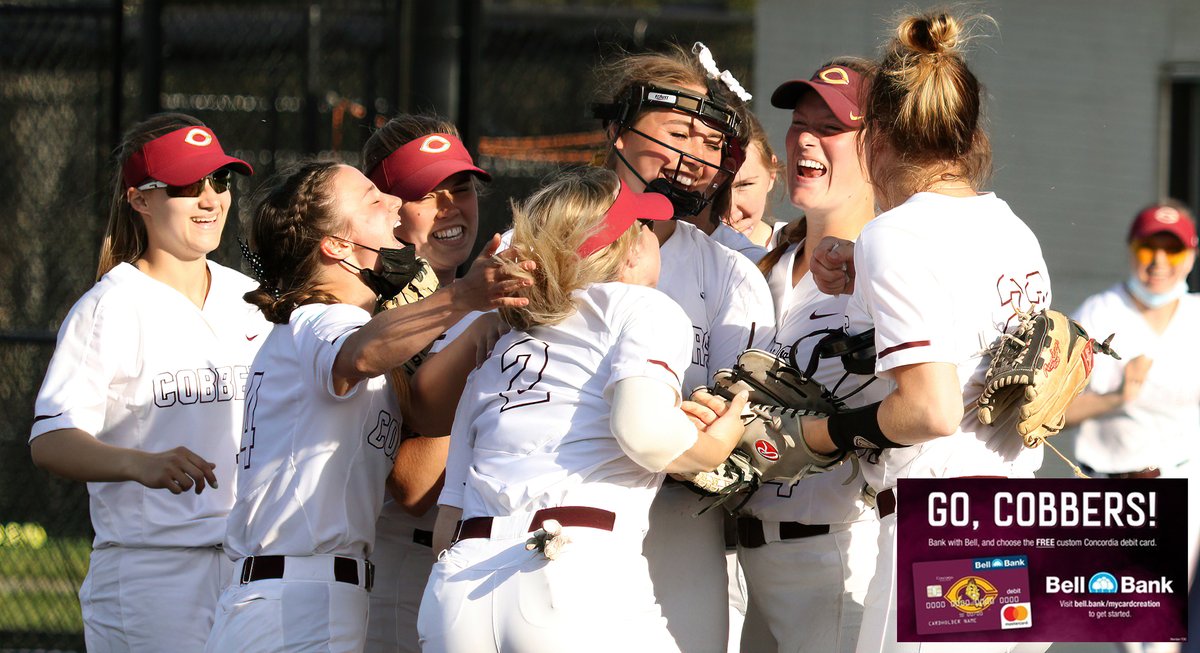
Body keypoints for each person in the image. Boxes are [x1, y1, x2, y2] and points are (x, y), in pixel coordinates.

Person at [418, 166, 750, 653]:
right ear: (630, 248)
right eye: (647, 229)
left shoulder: (503, 341)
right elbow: (643, 434)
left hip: (461, 585)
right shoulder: (640, 305)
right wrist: (718, 442)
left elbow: (444, 526)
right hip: (571, 572)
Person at [801, 11, 1052, 653]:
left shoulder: (898, 233)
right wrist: (862, 269)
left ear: (877, 132)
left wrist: (820, 434)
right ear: (967, 134)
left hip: (945, 538)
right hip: (1015, 523)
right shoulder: (1013, 227)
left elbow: (931, 410)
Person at [203, 160, 530, 653]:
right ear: (335, 245)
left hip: (312, 595)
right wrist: (464, 296)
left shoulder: (344, 325)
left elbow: (427, 427)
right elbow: (358, 354)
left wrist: (494, 314)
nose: (395, 204)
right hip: (293, 602)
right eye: (373, 199)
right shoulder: (316, 319)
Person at [28, 113, 266, 652]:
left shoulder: (251, 299)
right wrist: (142, 464)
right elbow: (50, 440)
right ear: (140, 199)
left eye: (220, 181)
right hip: (151, 576)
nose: (210, 199)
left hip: (248, 570)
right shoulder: (110, 307)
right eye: (187, 185)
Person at [591, 43, 776, 652]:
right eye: (677, 132)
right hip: (563, 512)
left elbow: (739, 410)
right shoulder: (536, 240)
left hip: (679, 526)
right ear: (618, 132)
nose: (693, 156)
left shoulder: (731, 275)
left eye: (710, 142)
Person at [734, 58, 882, 653]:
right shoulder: (757, 261)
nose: (805, 139)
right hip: (734, 560)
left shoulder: (891, 264)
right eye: (798, 123)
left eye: (832, 126)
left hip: (839, 556)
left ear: (881, 146)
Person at [360, 114, 492, 653]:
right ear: (387, 209)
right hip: (401, 565)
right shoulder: (368, 316)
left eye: (460, 189)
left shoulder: (482, 298)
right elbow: (413, 485)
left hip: (484, 567)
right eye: (427, 195)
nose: (451, 208)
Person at [1066, 201, 1200, 653]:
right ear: (1131, 249)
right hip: (1109, 485)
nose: (1159, 262)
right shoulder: (1100, 312)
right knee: (1127, 628)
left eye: (1172, 250)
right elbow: (1053, 412)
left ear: (1192, 254)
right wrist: (1116, 397)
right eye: (1148, 248)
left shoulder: (1197, 318)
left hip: (1181, 479)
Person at [720, 110, 781, 250]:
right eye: (716, 187)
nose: (729, 207)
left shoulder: (799, 256)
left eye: (744, 185)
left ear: (772, 174)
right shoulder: (670, 249)